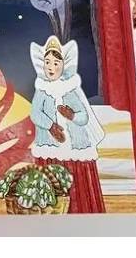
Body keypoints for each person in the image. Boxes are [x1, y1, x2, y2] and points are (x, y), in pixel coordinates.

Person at [29, 36, 106, 213]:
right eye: (47, 62)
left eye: (56, 63)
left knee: (75, 180)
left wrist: (72, 116)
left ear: (65, 65)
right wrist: (50, 126)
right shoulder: (42, 90)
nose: (51, 67)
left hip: (75, 146)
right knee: (53, 178)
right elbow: (35, 113)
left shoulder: (70, 90)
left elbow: (84, 117)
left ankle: (81, 209)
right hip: (50, 146)